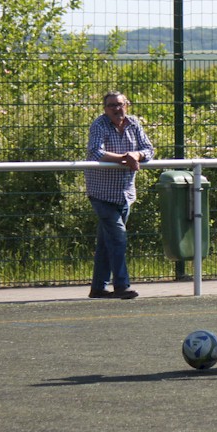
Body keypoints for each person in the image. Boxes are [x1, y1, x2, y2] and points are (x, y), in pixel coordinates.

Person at [85, 91, 154, 299]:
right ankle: (122, 286)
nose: (116, 109)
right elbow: (95, 151)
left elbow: (149, 149)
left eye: (120, 104)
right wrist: (124, 158)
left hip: (125, 193)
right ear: (105, 109)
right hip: (101, 193)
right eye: (111, 105)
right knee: (118, 237)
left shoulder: (134, 123)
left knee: (107, 241)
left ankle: (98, 288)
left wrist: (136, 155)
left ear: (127, 105)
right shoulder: (99, 125)